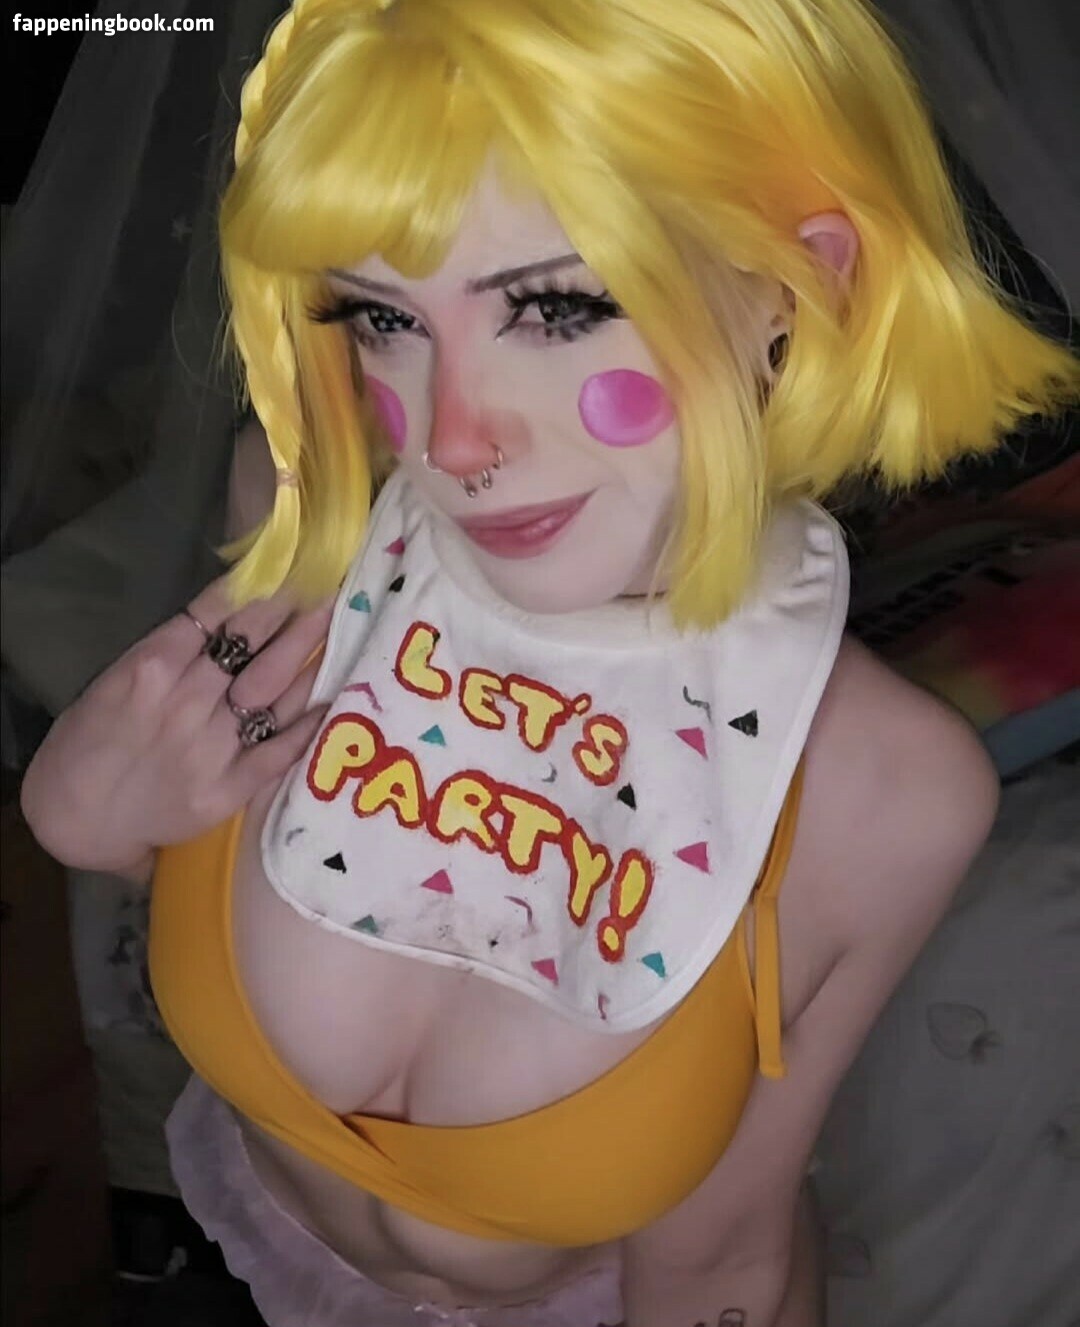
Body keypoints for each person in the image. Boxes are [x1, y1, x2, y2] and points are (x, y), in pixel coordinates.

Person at [20, 0, 1077, 1323]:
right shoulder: (313, 522)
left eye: (557, 308)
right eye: (380, 318)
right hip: (251, 1253)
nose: (452, 440)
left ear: (794, 286)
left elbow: (720, 1257)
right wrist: (92, 824)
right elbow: (288, 864)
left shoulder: (888, 793)